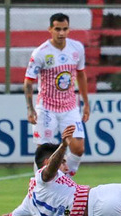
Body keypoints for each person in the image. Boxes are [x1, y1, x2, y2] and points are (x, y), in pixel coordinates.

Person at [24, 12, 90, 176]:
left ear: (69, 30)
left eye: (65, 29)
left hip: (69, 106)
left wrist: (86, 103)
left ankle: (66, 179)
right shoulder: (41, 52)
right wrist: (30, 109)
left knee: (78, 147)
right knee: (43, 150)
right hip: (47, 108)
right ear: (50, 29)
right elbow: (28, 82)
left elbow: (81, 75)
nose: (61, 33)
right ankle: (38, 188)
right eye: (57, 29)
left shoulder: (77, 48)